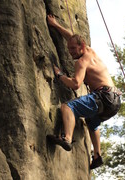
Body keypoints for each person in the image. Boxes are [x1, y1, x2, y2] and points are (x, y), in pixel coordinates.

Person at [46, 15, 121, 169]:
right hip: (115, 102)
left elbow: (75, 84)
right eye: (69, 49)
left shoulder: (81, 62)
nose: (71, 52)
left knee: (68, 107)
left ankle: (66, 138)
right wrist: (56, 25)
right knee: (92, 122)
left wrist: (60, 75)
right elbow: (71, 38)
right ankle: (97, 155)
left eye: (73, 49)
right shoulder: (90, 52)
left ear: (82, 46)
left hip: (103, 96)